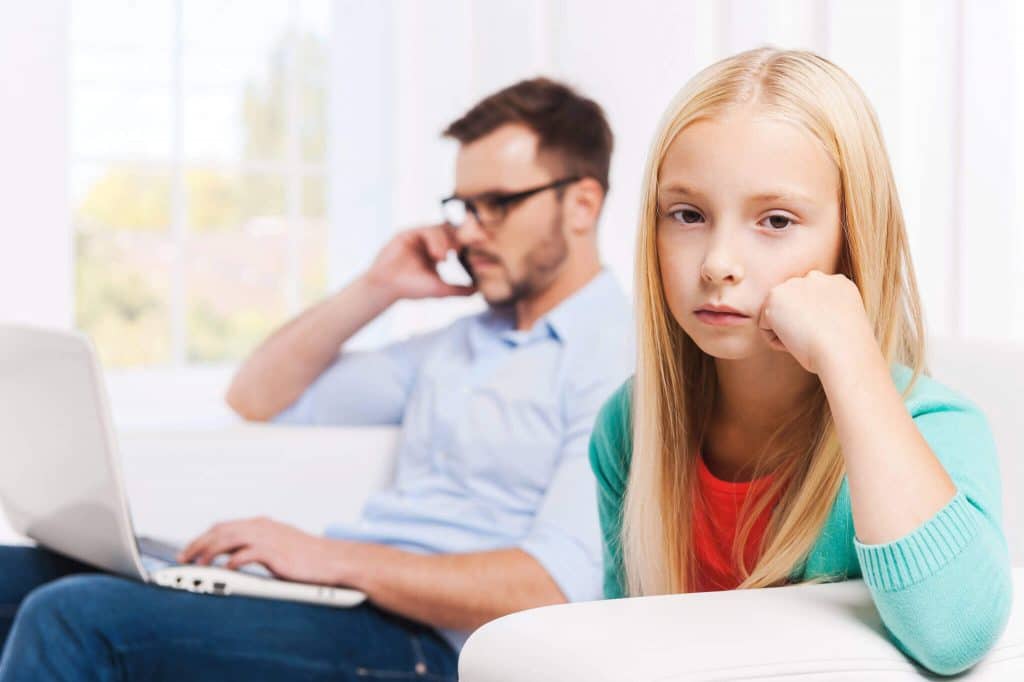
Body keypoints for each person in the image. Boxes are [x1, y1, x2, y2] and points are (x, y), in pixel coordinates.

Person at [0, 77, 634, 680]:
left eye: (496, 203)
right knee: (10, 578)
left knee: (73, 622)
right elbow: (257, 395)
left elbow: (552, 587)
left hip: (437, 646)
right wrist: (377, 288)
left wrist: (320, 557)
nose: (467, 231)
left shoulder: (618, 359)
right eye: (462, 206)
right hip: (344, 600)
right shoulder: (462, 344)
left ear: (581, 204)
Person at [589, 48, 1011, 677]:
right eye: (688, 215)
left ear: (852, 240)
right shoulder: (632, 423)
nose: (717, 262)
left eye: (776, 220)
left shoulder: (940, 424)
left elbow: (955, 635)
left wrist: (852, 360)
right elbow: (626, 644)